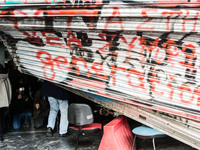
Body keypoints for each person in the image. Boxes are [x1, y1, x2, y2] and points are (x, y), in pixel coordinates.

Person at [0, 63, 12, 142]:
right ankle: (1, 133)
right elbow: (9, 89)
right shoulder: (6, 77)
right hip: (4, 102)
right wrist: (9, 100)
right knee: (1, 118)